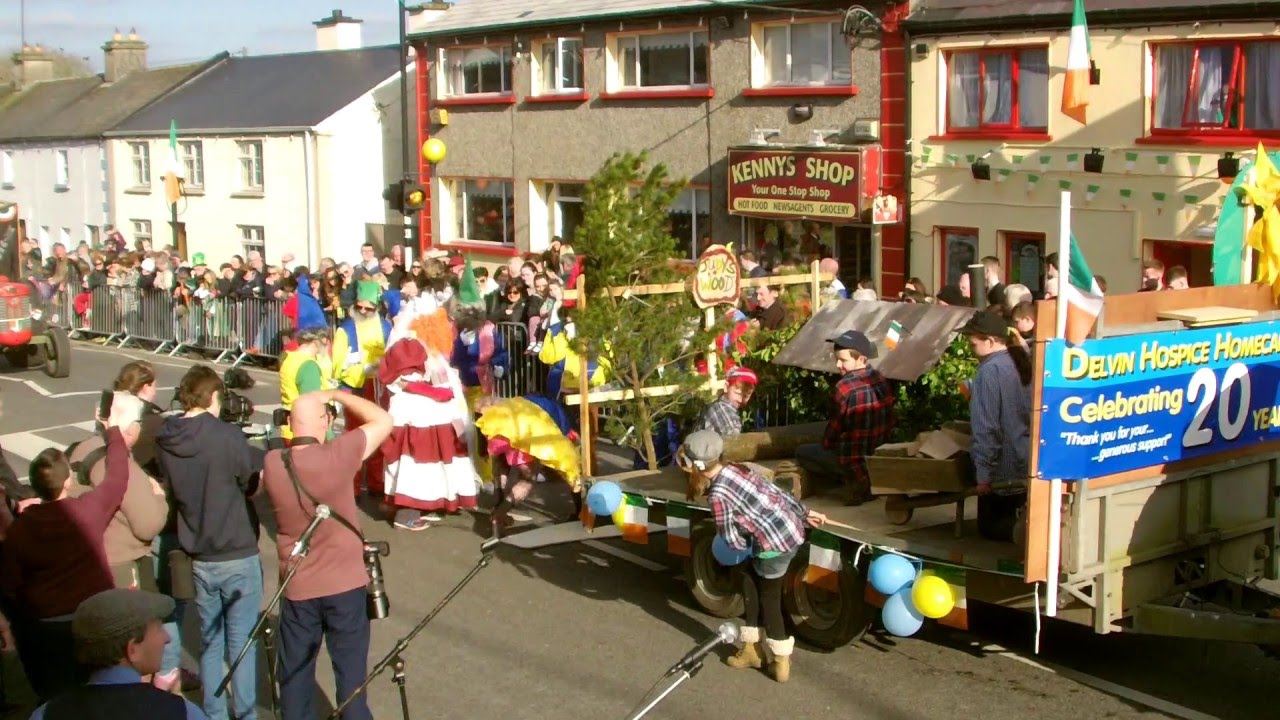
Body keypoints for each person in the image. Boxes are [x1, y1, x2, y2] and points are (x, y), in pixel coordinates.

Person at [262, 389, 393, 720]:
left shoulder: (274, 463)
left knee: (295, 674)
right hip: (344, 584)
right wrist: (338, 394)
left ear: (290, 424)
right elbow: (383, 420)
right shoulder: (340, 454)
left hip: (298, 584)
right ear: (325, 421)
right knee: (350, 677)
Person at [2, 398, 135, 701]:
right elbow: (117, 477)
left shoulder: (22, 527)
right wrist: (112, 429)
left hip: (44, 631)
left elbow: (10, 583)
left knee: (56, 700)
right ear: (68, 480)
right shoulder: (87, 511)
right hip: (92, 620)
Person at [156, 366, 263, 720]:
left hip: (198, 553)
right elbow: (250, 482)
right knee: (241, 644)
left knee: (210, 641)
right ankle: (245, 713)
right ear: (214, 396)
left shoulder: (167, 437)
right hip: (236, 550)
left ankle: (214, 713)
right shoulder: (226, 436)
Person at [677, 430, 825, 683]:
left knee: (768, 598)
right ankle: (751, 650)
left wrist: (739, 550)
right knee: (750, 583)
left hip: (771, 545)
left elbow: (728, 537)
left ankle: (780, 660)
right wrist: (804, 512)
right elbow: (777, 493)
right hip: (790, 532)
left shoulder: (717, 496)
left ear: (696, 467)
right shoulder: (739, 469)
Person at [31, 588, 208, 719]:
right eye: (158, 629)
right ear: (132, 650)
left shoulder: (46, 714)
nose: (166, 638)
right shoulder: (181, 712)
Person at [379, 309, 478, 530]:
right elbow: (404, 380)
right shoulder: (410, 348)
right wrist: (437, 393)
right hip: (416, 416)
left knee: (433, 460)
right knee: (413, 462)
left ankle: (430, 503)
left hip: (428, 415)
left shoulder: (430, 355)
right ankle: (407, 510)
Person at [66, 394, 169, 590]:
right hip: (121, 565)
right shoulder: (123, 468)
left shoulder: (84, 448)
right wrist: (159, 497)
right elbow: (149, 525)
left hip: (86, 557)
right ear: (132, 428)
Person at [795, 331, 896, 505]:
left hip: (851, 458)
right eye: (837, 360)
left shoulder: (844, 388)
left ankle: (852, 480)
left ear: (861, 359)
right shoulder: (880, 379)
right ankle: (866, 480)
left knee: (802, 452)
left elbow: (834, 429)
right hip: (877, 453)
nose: (839, 365)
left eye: (844, 360)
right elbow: (892, 417)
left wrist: (825, 444)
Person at [959, 311, 1032, 542]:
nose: (970, 349)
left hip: (1004, 470)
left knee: (990, 529)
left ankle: (1024, 535)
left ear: (990, 341)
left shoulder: (989, 372)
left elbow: (986, 428)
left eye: (973, 344)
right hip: (1026, 462)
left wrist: (983, 476)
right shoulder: (1020, 360)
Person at [334, 280, 393, 496]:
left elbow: (393, 353)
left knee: (380, 434)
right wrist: (353, 363)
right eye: (359, 307)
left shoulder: (386, 327)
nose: (363, 311)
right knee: (354, 436)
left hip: (379, 385)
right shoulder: (346, 329)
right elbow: (336, 364)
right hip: (355, 387)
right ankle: (353, 485)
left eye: (368, 308)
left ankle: (377, 482)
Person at [279, 326, 336, 442]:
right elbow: (313, 403)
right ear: (319, 342)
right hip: (307, 433)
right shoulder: (308, 365)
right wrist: (329, 436)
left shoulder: (289, 358)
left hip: (290, 427)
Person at [695, 366, 758, 438]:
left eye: (746, 396)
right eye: (737, 393)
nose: (740, 400)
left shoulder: (727, 408)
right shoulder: (721, 409)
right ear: (726, 387)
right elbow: (733, 442)